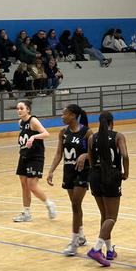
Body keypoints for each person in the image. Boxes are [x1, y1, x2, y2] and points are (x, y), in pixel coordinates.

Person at [85, 111, 128, 266]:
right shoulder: (118, 136)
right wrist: (125, 173)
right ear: (112, 122)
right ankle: (96, 249)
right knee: (112, 217)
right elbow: (125, 155)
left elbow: (90, 158)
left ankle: (109, 251)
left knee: (104, 215)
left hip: (95, 175)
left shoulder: (91, 138)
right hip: (111, 175)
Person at [47, 104, 91, 256]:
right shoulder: (63, 133)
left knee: (75, 204)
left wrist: (85, 155)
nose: (61, 116)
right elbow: (59, 153)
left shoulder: (87, 132)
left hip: (82, 172)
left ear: (72, 115)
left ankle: (73, 243)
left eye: (64, 113)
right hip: (69, 172)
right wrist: (51, 170)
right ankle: (81, 236)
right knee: (75, 207)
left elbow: (95, 153)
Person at [12, 100, 56, 222]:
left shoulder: (33, 121)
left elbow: (46, 133)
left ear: (28, 109)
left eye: (21, 108)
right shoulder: (20, 122)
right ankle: (26, 213)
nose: (19, 111)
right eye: (18, 109)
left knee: (32, 185)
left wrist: (33, 136)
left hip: (35, 156)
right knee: (24, 185)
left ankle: (49, 204)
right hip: (24, 155)